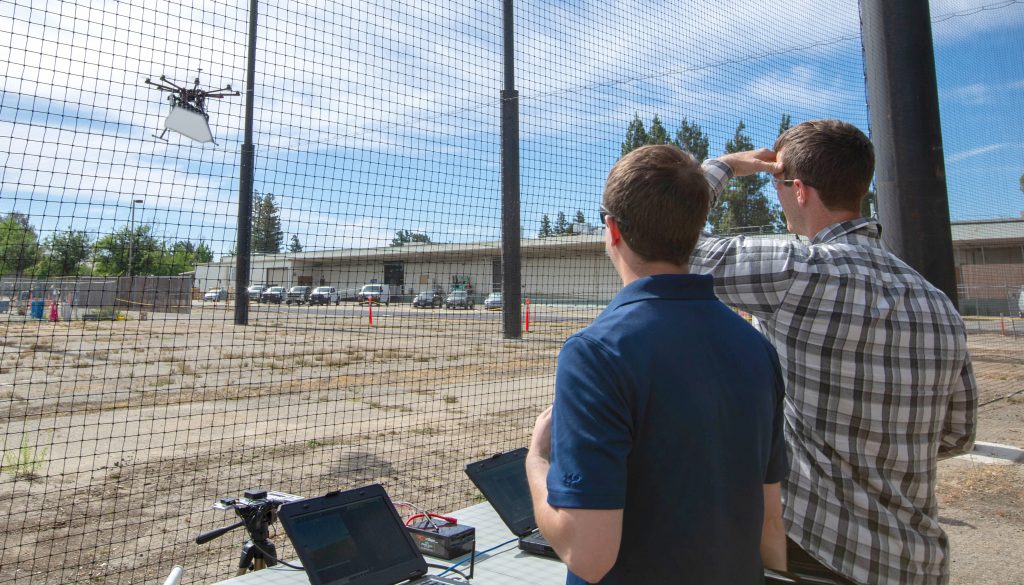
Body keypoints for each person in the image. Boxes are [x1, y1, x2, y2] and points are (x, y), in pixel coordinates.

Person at [692, 119, 978, 585]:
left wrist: (721, 166)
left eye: (778, 184)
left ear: (799, 190)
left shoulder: (795, 274)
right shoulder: (937, 302)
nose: (778, 195)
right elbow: (958, 435)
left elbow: (673, 245)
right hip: (917, 563)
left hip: (817, 552)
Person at [525, 144, 789, 584]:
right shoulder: (755, 345)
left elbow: (588, 555)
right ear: (695, 232)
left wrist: (536, 462)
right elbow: (770, 524)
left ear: (612, 230)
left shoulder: (594, 353)